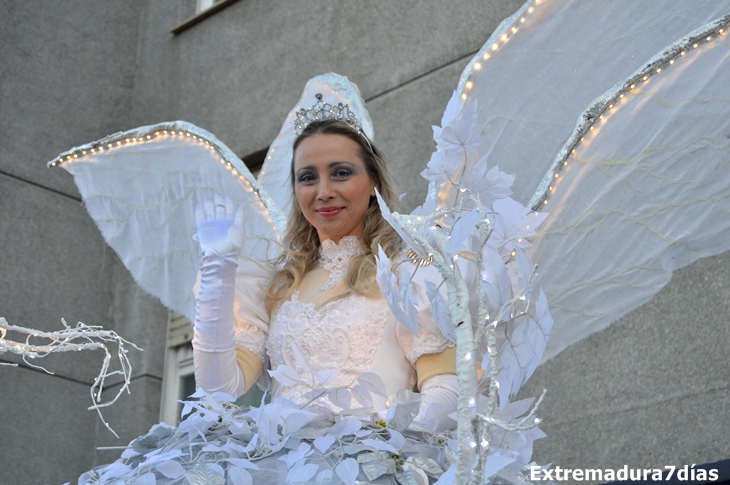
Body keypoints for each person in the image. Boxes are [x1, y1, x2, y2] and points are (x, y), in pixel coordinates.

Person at [190, 117, 460, 429]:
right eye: (307, 178)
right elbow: (219, 389)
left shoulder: (409, 274)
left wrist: (376, 438)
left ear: (374, 184)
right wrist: (218, 270)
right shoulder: (276, 287)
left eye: (341, 173)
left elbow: (447, 394)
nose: (324, 191)